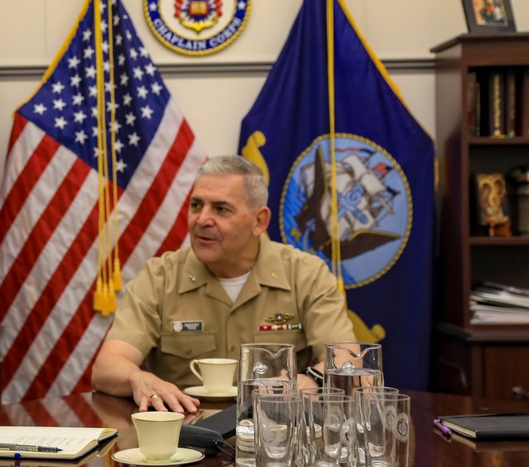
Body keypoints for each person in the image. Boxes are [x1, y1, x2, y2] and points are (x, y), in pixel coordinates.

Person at [91, 155, 355, 414]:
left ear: (259, 221)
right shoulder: (160, 277)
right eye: (196, 205)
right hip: (186, 440)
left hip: (281, 436)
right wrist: (139, 379)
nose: (202, 219)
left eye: (221, 209)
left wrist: (311, 379)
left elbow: (346, 359)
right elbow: (107, 367)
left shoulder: (305, 274)